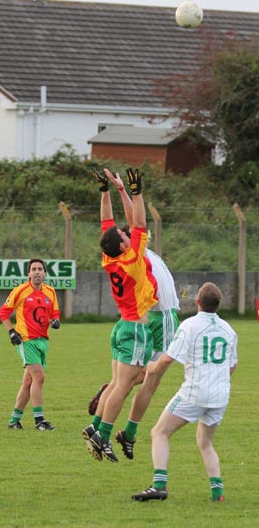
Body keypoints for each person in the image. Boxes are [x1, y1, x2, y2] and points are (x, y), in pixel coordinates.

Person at [85, 173, 180, 460]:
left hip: (123, 324)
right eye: (126, 236)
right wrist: (136, 192)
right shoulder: (133, 258)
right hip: (139, 326)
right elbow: (139, 223)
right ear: (125, 245)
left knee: (124, 382)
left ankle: (99, 426)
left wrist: (109, 192)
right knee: (130, 383)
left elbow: (108, 226)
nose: (128, 233)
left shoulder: (110, 257)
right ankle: (104, 433)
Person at [132, 282, 237, 502]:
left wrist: (151, 368)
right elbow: (232, 366)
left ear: (197, 302)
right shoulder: (229, 330)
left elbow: (169, 358)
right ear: (218, 305)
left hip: (195, 392)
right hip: (220, 395)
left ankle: (159, 485)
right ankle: (217, 492)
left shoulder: (190, 326)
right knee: (205, 442)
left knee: (159, 432)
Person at [0, 258, 61, 431]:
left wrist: (55, 321)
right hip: (26, 340)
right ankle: (39, 420)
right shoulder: (20, 291)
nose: (37, 272)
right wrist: (11, 331)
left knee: (28, 382)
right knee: (39, 377)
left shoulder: (50, 292)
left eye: (40, 269)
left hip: (43, 340)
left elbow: (55, 312)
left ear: (45, 273)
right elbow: (3, 312)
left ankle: (14, 420)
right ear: (28, 273)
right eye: (33, 269)